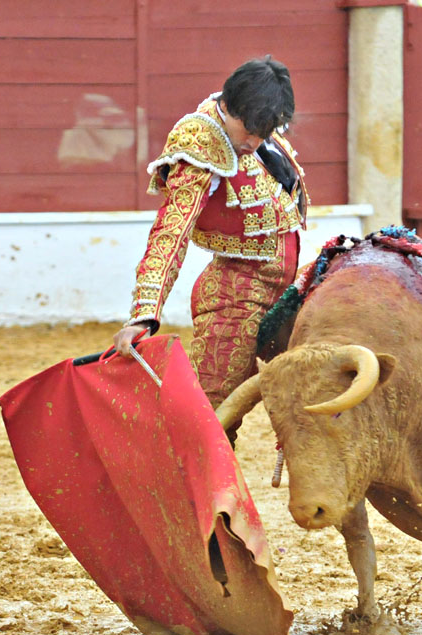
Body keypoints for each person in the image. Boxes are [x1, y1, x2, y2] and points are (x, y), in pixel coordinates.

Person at [111, 56, 307, 436]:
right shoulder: (200, 143)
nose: (253, 142)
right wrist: (143, 314)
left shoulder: (257, 126)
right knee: (207, 421)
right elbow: (171, 233)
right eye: (248, 130)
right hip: (237, 298)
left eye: (263, 132)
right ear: (230, 107)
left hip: (288, 288)